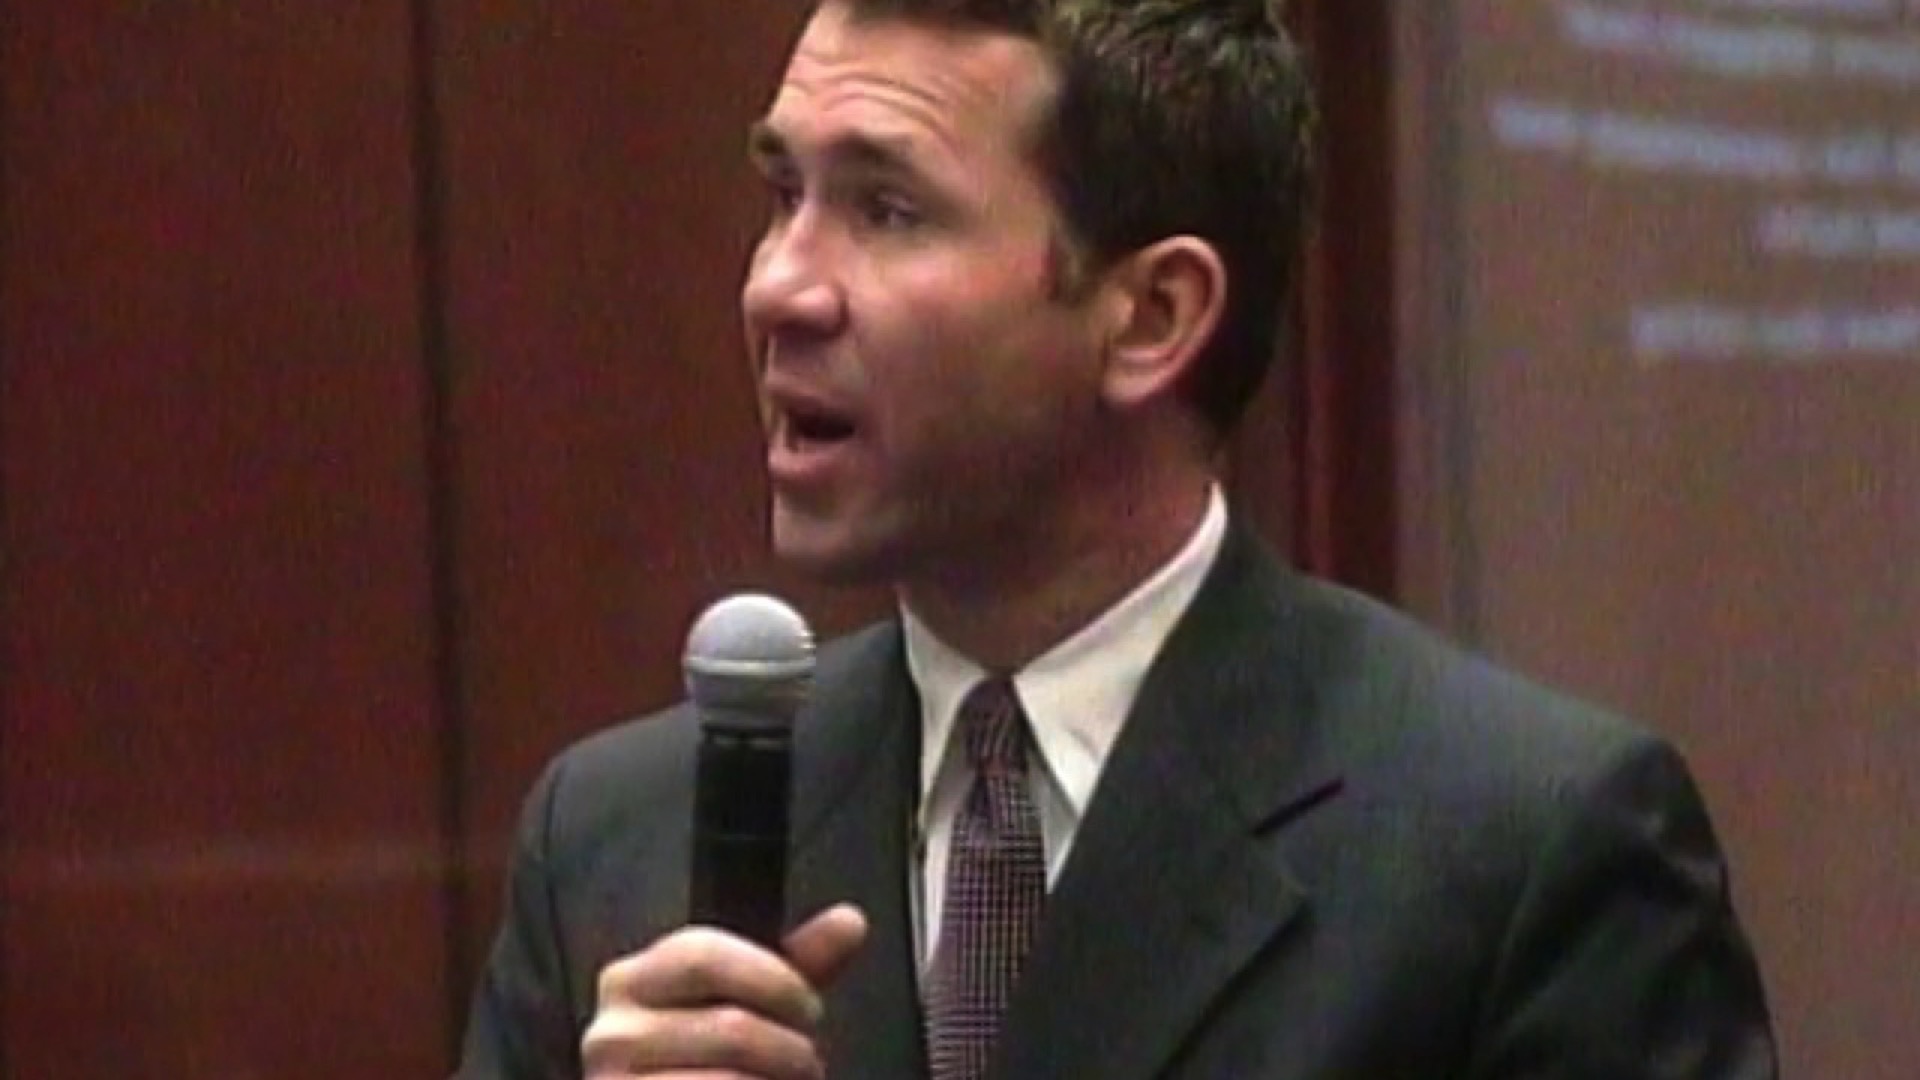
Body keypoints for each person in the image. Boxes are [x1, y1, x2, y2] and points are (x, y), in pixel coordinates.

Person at [457, 0, 1778, 1077]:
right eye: (782, 193)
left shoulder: (1520, 852)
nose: (780, 287)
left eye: (887, 211)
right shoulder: (615, 843)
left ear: (1152, 317)